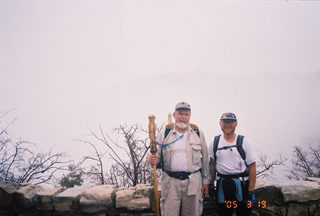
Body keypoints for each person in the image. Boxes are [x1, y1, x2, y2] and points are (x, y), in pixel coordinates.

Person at [149, 102, 210, 216]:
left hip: (193, 182)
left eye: (186, 114)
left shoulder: (197, 133)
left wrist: (206, 182)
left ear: (189, 116)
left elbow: (205, 159)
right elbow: (157, 157)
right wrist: (153, 159)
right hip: (170, 183)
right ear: (174, 115)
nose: (183, 117)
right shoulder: (165, 132)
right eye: (180, 114)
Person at [208, 112, 256, 216]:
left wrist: (250, 190)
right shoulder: (215, 142)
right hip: (223, 186)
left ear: (236, 124)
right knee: (224, 213)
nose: (228, 125)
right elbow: (211, 165)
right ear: (220, 123)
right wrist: (211, 185)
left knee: (244, 213)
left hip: (242, 186)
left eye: (230, 122)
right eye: (225, 122)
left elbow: (252, 166)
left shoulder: (244, 141)